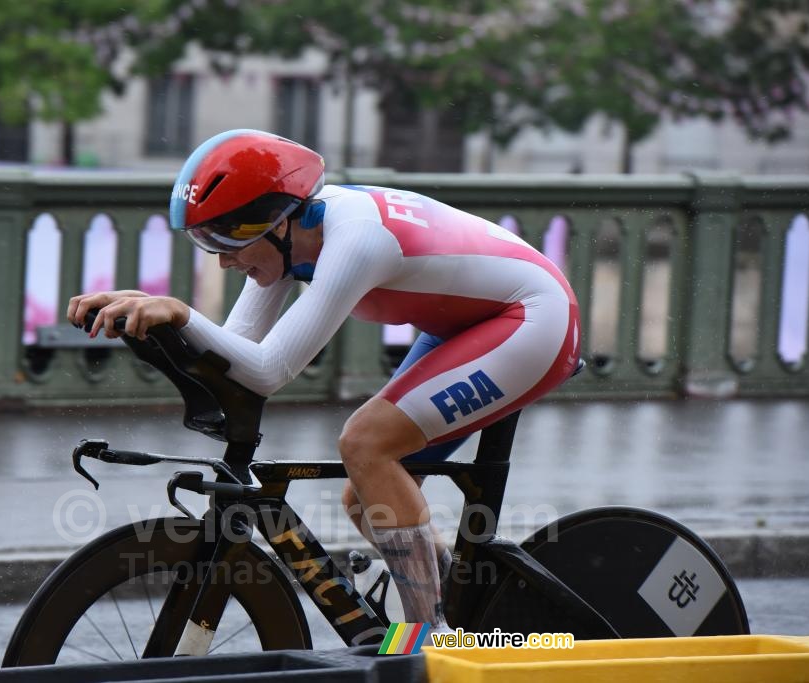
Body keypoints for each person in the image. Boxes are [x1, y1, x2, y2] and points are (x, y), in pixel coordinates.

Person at [67, 129, 580, 636]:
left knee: (367, 443)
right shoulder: (290, 238)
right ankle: (467, 607)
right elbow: (237, 350)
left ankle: (433, 638)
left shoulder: (355, 238)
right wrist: (158, 317)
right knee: (364, 500)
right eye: (207, 240)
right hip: (468, 323)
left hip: (535, 319)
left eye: (229, 236)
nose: (223, 258)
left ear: (280, 220)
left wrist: (180, 313)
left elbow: (268, 371)